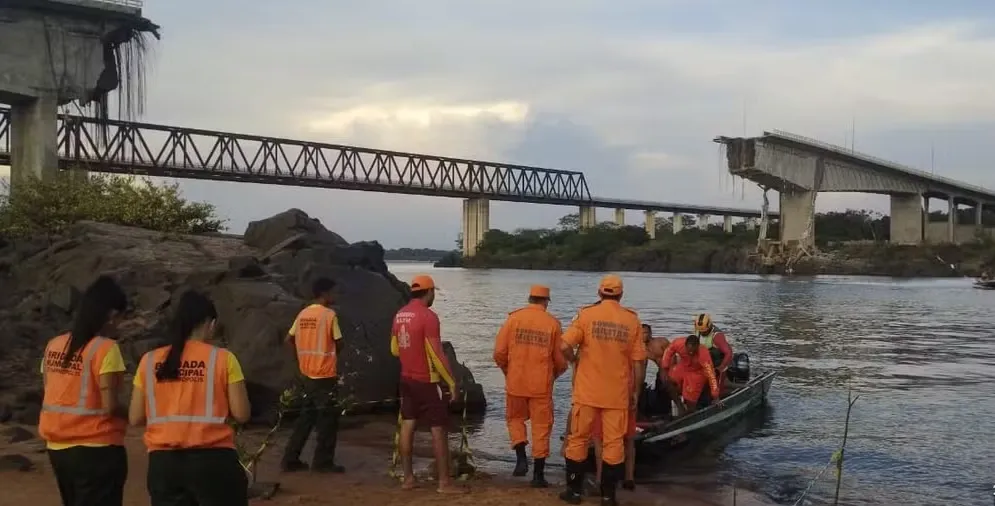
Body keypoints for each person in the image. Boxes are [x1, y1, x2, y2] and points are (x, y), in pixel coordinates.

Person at [129, 290, 252, 506]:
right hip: (213, 461)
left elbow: (135, 417)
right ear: (209, 323)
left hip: (163, 464)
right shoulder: (223, 359)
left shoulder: (149, 361)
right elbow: (242, 414)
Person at [39, 276, 129, 506]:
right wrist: (138, 413)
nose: (119, 325)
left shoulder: (54, 345)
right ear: (111, 315)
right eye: (120, 318)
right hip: (97, 448)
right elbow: (110, 406)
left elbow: (50, 389)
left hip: (58, 448)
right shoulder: (106, 349)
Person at [558, 274, 646, 506]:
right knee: (614, 444)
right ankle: (608, 497)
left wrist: (574, 360)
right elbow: (638, 362)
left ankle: (574, 493)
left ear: (599, 293)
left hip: (587, 392)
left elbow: (564, 345)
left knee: (578, 439)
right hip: (617, 395)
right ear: (621, 294)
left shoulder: (586, 315)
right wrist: (635, 392)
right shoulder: (632, 320)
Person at [390, 274, 465, 494]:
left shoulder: (400, 314)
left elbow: (394, 349)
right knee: (438, 430)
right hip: (427, 381)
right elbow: (437, 354)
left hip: (406, 378)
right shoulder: (428, 317)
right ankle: (444, 483)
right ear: (429, 292)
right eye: (434, 292)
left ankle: (408, 478)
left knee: (408, 425)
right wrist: (452, 383)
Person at [493, 284, 567, 487]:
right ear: (546, 301)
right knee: (541, 428)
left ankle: (520, 458)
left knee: (515, 419)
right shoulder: (553, 324)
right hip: (541, 385)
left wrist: (508, 371)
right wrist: (554, 375)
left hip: (516, 382)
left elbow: (499, 352)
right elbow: (560, 360)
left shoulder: (513, 319)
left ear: (530, 298)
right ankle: (538, 475)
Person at [281, 277, 347, 473]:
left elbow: (288, 339)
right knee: (328, 420)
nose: (336, 295)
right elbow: (339, 342)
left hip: (307, 373)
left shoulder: (303, 314)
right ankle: (323, 462)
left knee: (306, 418)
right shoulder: (329, 315)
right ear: (325, 294)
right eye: (334, 292)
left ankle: (290, 458)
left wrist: (301, 357)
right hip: (324, 375)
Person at [661, 334, 721, 414]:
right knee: (667, 380)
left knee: (691, 400)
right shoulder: (678, 343)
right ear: (685, 345)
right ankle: (679, 406)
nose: (691, 353)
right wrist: (665, 367)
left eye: (693, 351)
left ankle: (690, 412)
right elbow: (668, 351)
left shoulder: (703, 354)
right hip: (683, 366)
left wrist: (715, 396)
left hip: (697, 372)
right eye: (688, 350)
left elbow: (711, 375)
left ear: (697, 347)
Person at [693, 313, 733, 391]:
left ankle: (725, 385)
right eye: (701, 331)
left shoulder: (717, 336)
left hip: (719, 363)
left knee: (717, 389)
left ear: (710, 326)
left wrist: (720, 368)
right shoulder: (698, 330)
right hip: (706, 363)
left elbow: (728, 353)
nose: (702, 333)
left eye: (704, 331)